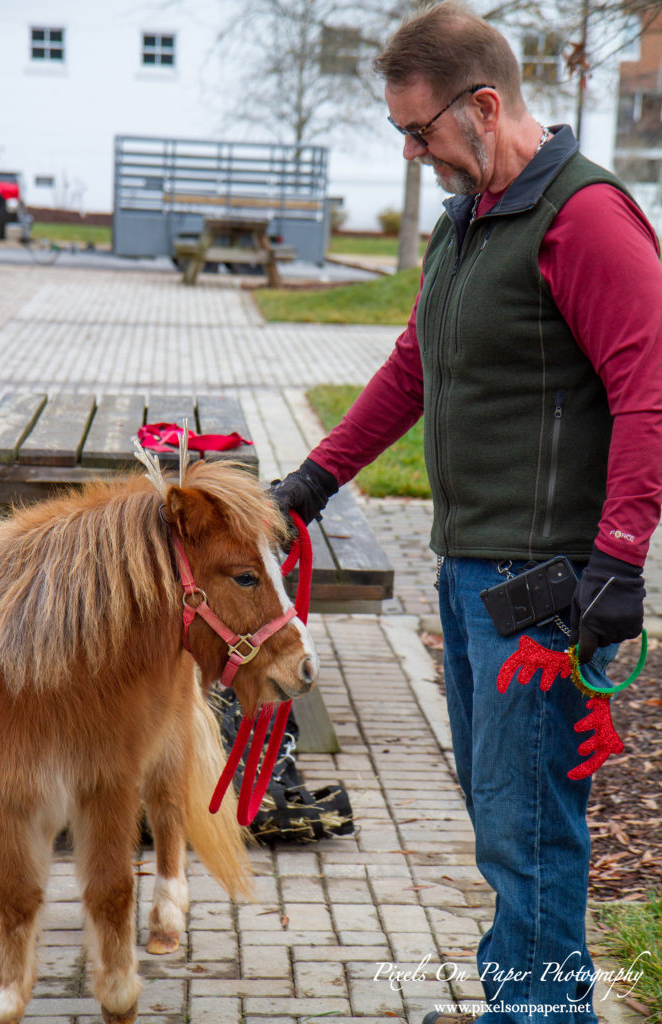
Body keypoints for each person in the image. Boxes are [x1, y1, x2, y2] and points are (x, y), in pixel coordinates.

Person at [270, 4, 662, 1024]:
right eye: (400, 134)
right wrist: (314, 480)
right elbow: (415, 370)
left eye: (420, 132)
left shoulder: (581, 216)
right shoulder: (470, 220)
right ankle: (519, 1002)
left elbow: (646, 389)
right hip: (469, 574)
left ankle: (540, 1013)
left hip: (545, 589)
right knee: (502, 817)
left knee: (528, 825)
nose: (411, 155)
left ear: (483, 107)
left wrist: (619, 557)